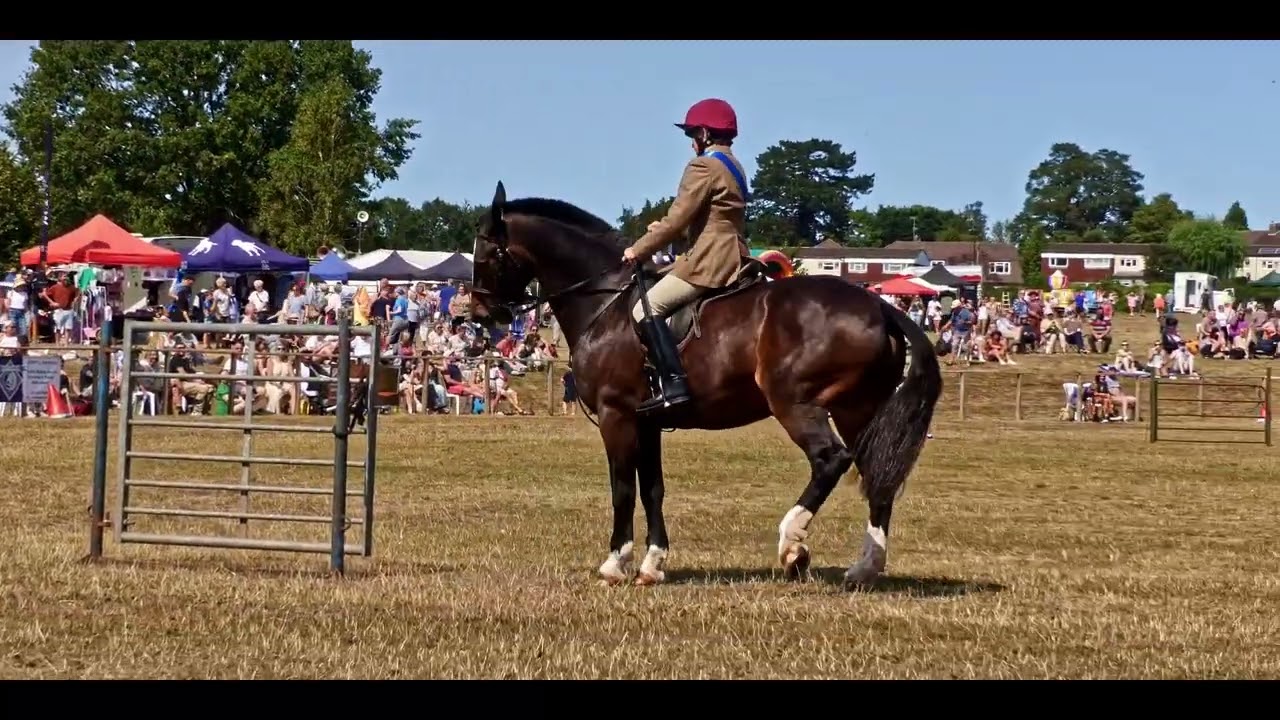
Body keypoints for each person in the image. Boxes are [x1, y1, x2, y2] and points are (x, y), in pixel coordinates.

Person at [620, 98, 751, 415]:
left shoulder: (703, 165)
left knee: (645, 308)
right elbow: (709, 217)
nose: (691, 142)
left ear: (704, 133)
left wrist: (638, 249)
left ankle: (674, 382)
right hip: (735, 252)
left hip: (710, 259)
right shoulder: (735, 166)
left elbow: (677, 219)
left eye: (692, 134)